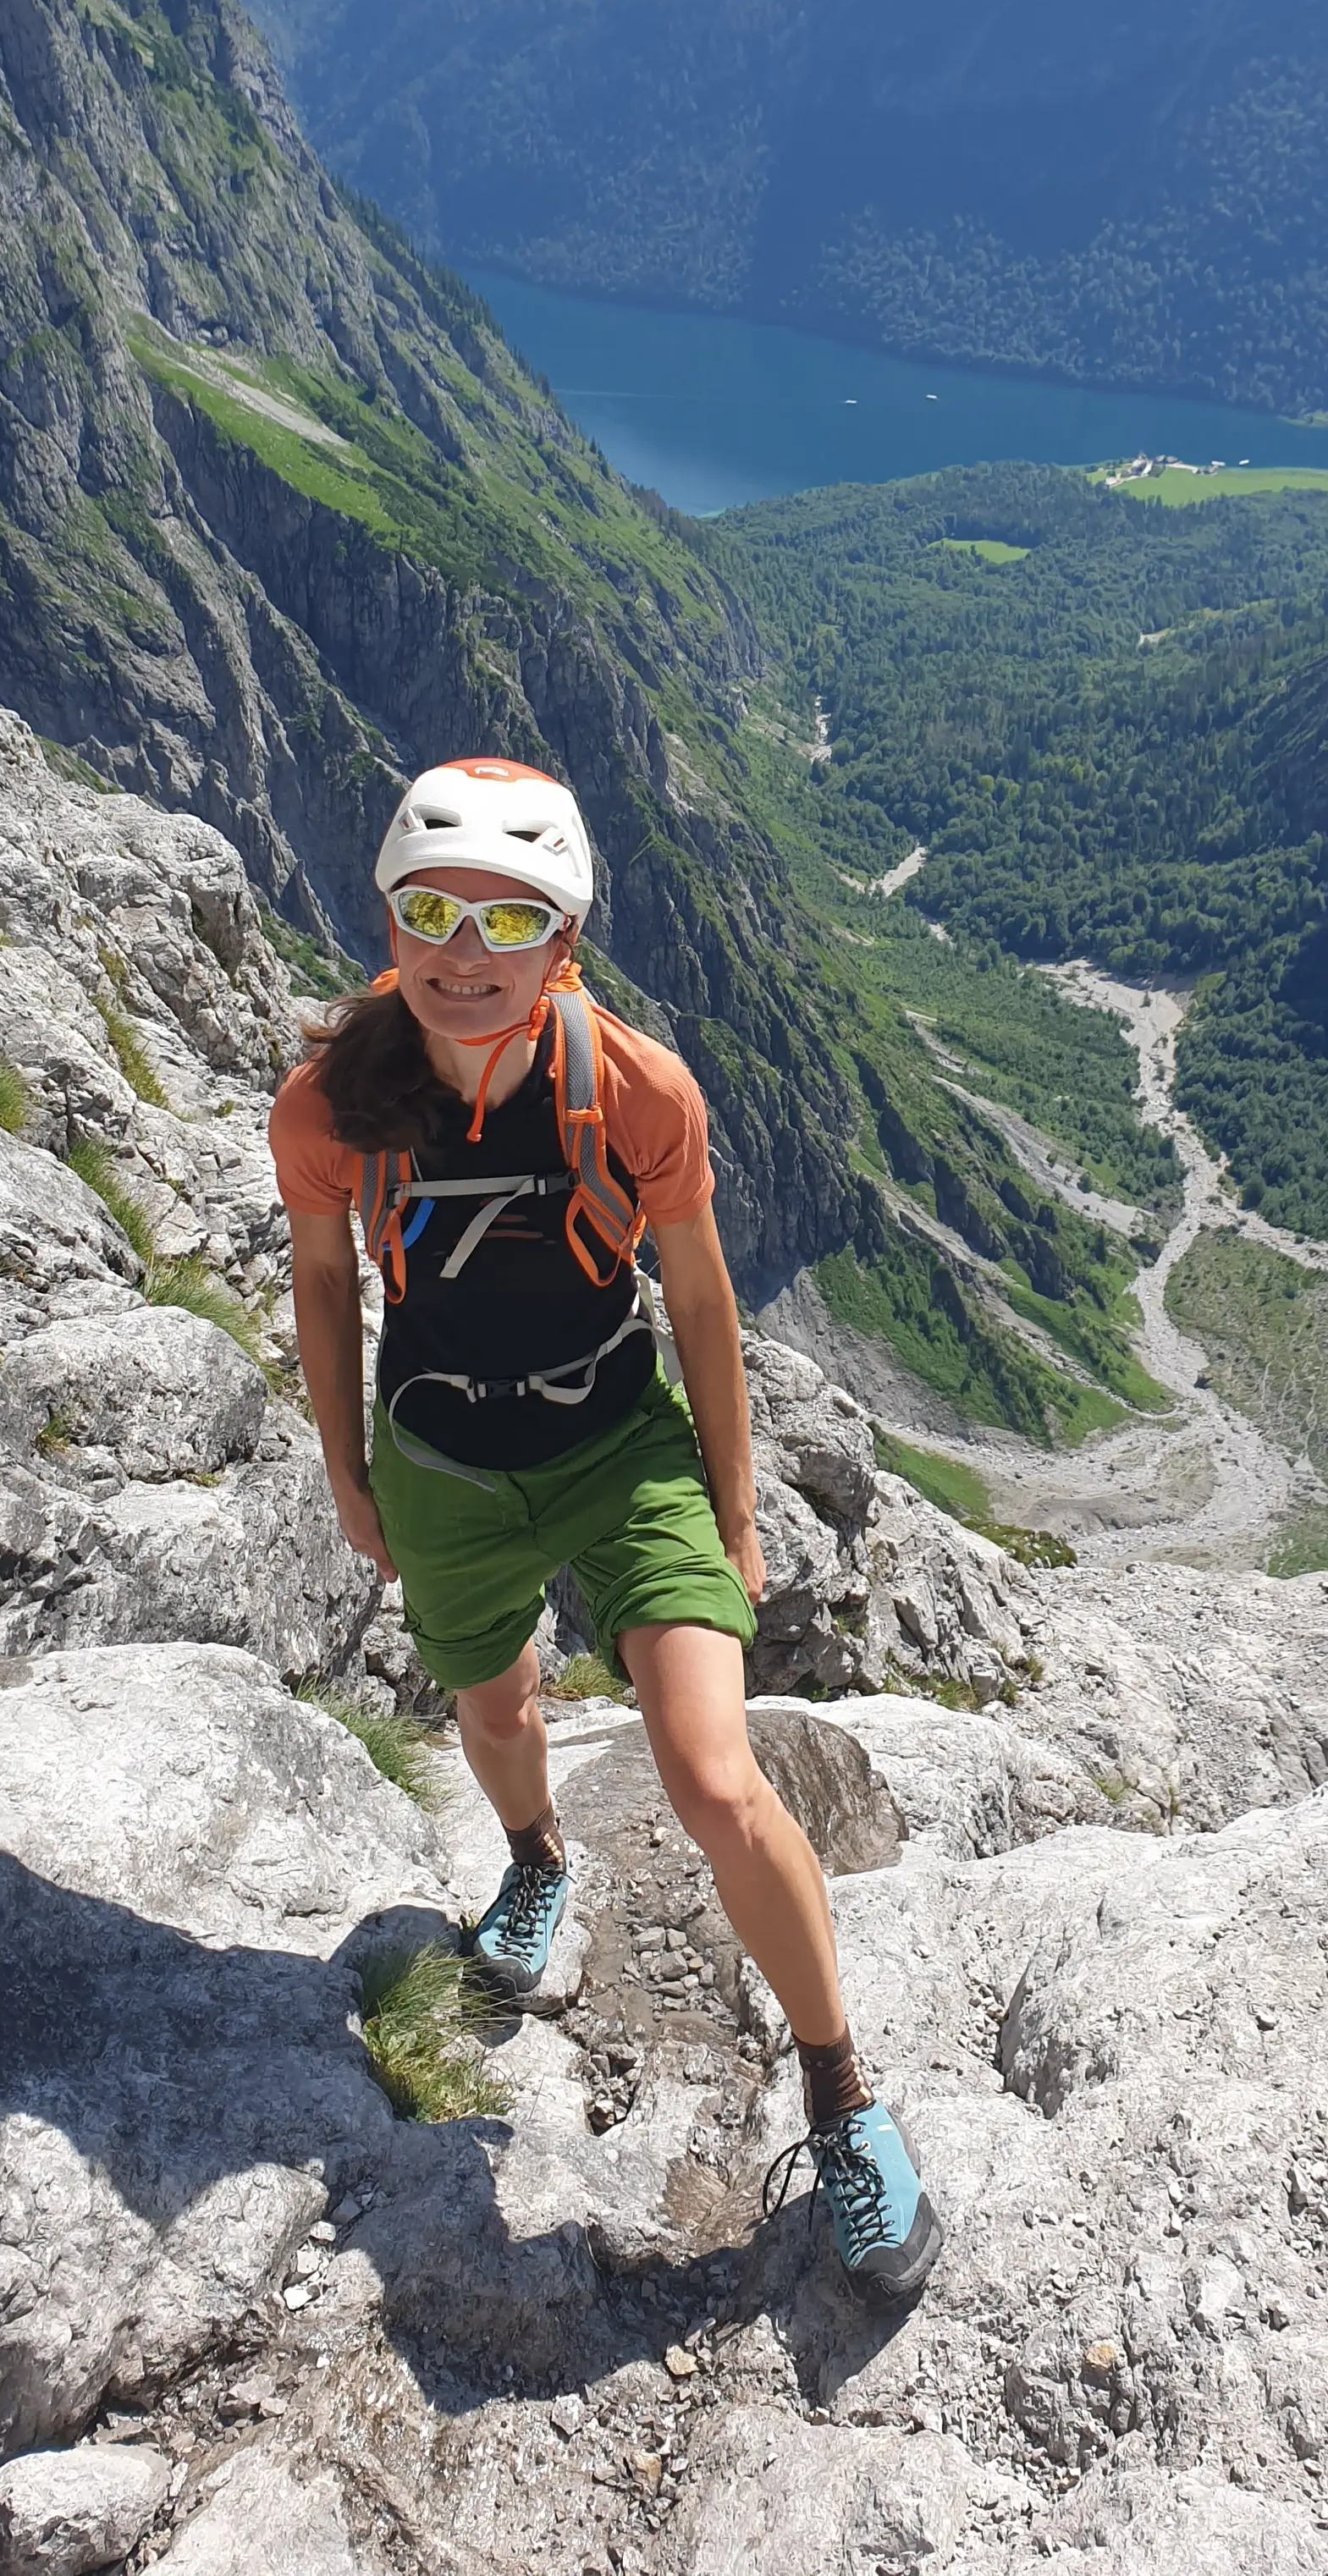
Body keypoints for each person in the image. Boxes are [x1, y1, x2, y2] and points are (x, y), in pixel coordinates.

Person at [269, 756, 941, 2305]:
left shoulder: (635, 1090)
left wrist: (733, 1507)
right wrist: (349, 1474)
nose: (465, 951)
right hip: (443, 1459)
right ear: (386, 920)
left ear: (563, 942)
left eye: (509, 921)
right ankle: (534, 1859)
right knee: (495, 1707)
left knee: (714, 1777)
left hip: (618, 1451)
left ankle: (842, 2098)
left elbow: (699, 1299)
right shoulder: (331, 1104)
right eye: (432, 913)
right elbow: (322, 1283)